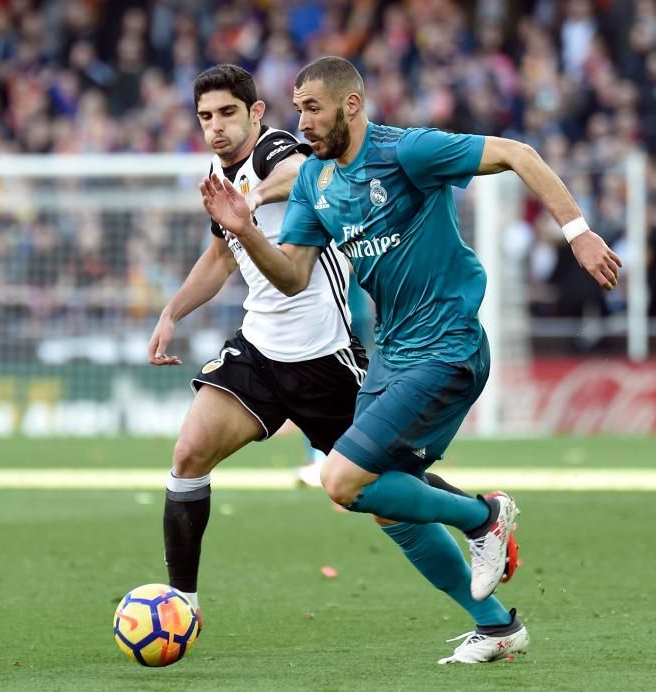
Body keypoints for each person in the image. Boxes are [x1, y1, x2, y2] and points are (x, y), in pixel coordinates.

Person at [200, 56, 620, 664]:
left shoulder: (407, 152)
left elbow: (518, 154)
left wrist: (577, 231)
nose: (303, 123)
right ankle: (497, 626)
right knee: (382, 502)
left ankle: (484, 517)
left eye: (312, 108)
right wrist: (248, 230)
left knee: (338, 477)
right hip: (391, 355)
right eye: (297, 109)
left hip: (447, 344)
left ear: (351, 105)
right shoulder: (315, 183)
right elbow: (291, 276)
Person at [152, 64, 519, 638]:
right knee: (189, 453)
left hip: (326, 358)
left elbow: (302, 171)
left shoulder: (279, 150)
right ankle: (181, 605)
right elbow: (222, 255)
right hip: (259, 351)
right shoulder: (221, 176)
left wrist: (248, 198)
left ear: (255, 113)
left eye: (227, 113)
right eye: (205, 117)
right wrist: (173, 311)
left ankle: (489, 591)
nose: (216, 127)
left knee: (384, 496)